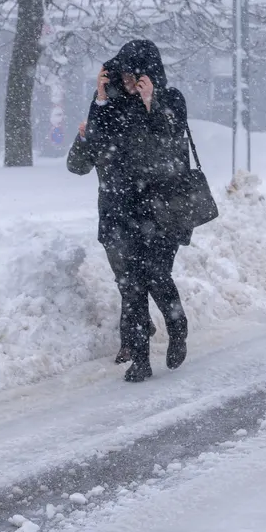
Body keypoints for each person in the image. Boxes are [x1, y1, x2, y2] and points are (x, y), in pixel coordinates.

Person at [67, 39, 192, 382]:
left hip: (161, 211)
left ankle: (177, 324)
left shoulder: (171, 101)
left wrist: (152, 104)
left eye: (130, 74)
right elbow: (79, 163)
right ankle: (140, 357)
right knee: (131, 286)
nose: (124, 80)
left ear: (147, 74)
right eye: (119, 74)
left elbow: (167, 150)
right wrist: (100, 102)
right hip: (118, 212)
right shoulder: (109, 106)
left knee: (155, 275)